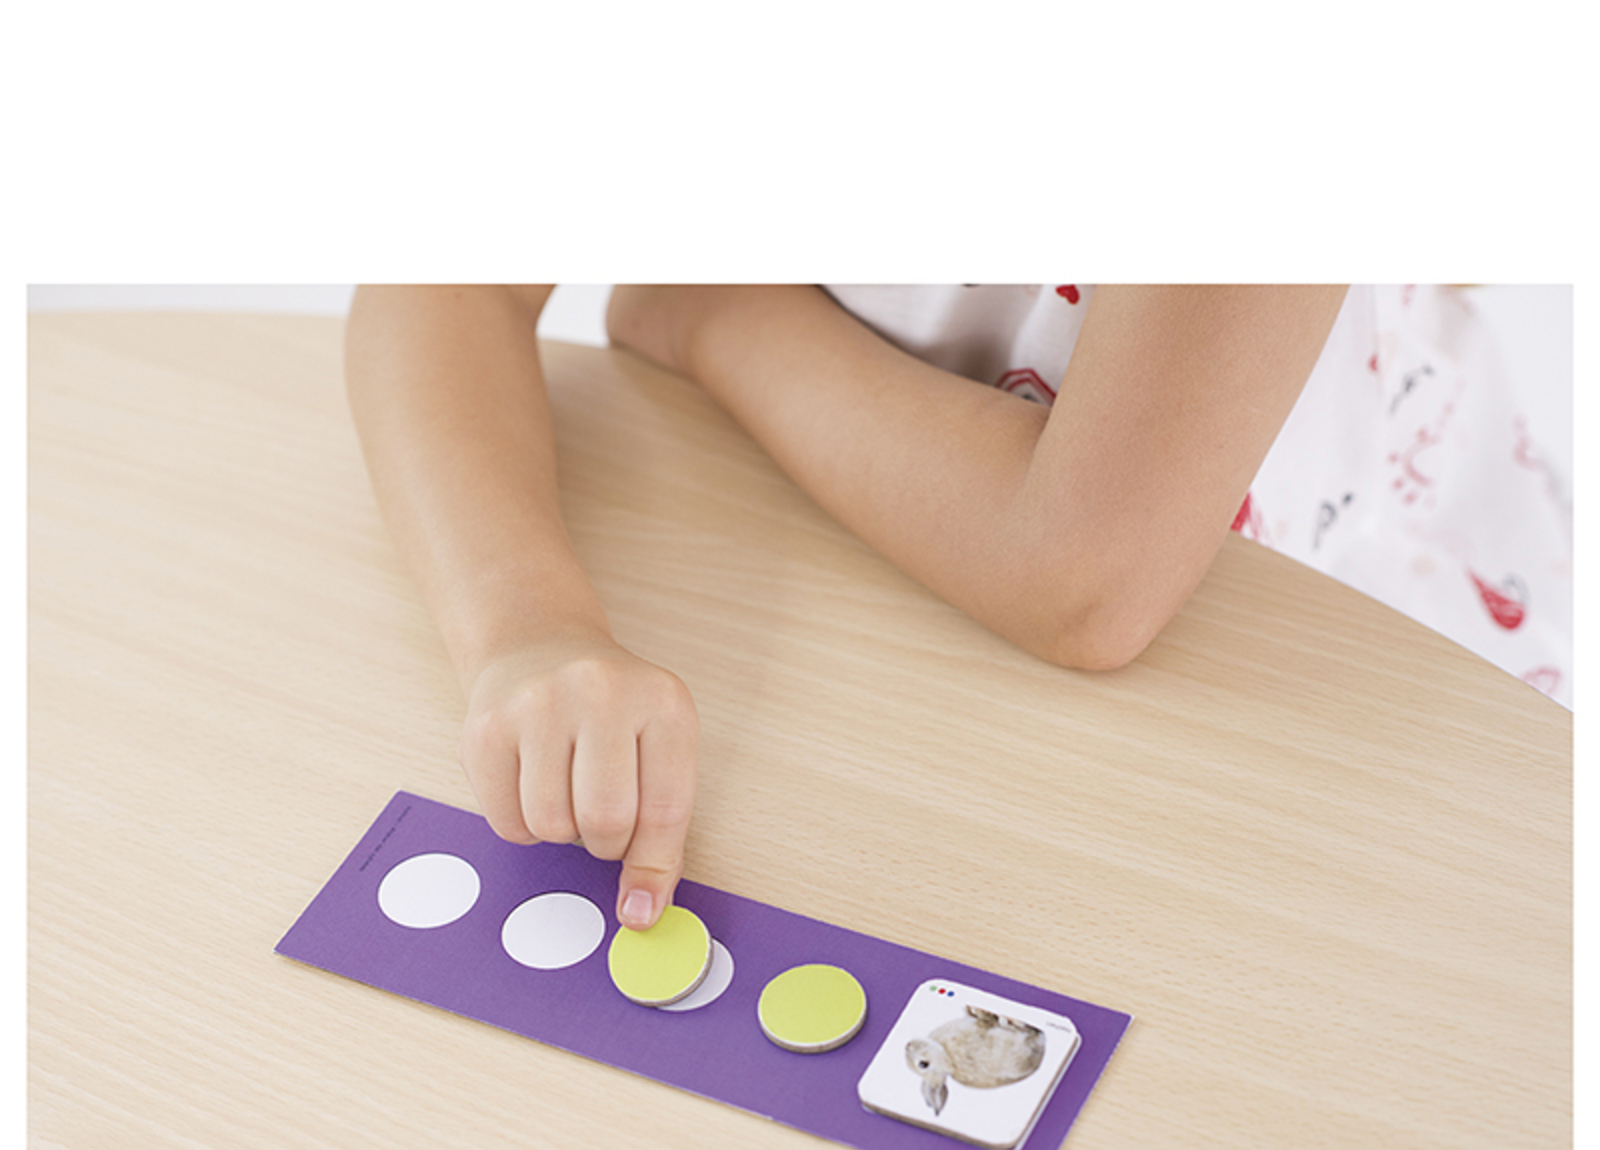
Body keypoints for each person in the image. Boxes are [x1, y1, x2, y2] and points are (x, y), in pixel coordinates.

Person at [344, 284, 1567, 934]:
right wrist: (526, 624)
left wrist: (717, 315)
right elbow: (443, 285)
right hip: (837, 541)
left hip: (1308, 660)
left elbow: (1087, 574)